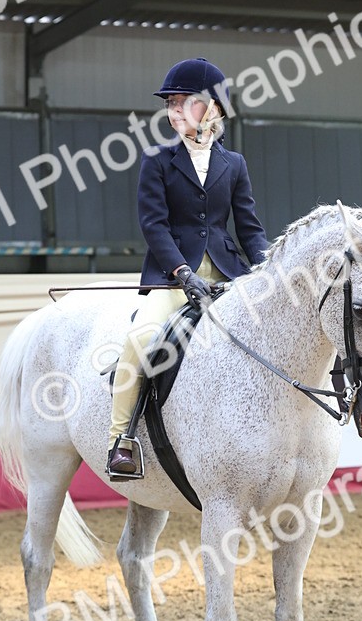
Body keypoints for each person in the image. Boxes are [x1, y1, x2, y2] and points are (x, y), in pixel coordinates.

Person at [107, 56, 269, 476]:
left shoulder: (234, 164)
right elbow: (154, 227)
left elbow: (248, 227)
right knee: (141, 339)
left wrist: (269, 271)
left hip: (227, 272)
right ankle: (120, 440)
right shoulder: (157, 162)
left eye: (184, 102)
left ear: (212, 107)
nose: (173, 110)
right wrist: (182, 272)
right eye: (170, 103)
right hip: (172, 277)